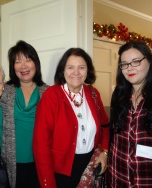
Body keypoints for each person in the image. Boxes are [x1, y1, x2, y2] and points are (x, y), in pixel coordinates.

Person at [33, 47, 110, 188]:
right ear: (63, 70)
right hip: (60, 171)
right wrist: (47, 183)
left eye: (81, 67)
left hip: (89, 166)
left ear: (88, 71)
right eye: (70, 67)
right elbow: (41, 145)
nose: (76, 72)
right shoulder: (52, 95)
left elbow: (105, 126)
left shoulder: (93, 94)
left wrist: (104, 152)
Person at [107, 41, 152, 187]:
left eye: (136, 62)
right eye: (124, 64)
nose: (129, 68)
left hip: (150, 181)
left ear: (149, 61)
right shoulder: (119, 93)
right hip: (117, 176)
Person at [0, 40, 49, 188]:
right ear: (13, 67)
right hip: (10, 160)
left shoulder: (48, 92)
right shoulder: (4, 90)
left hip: (40, 160)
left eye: (28, 60)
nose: (23, 66)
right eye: (17, 61)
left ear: (36, 63)